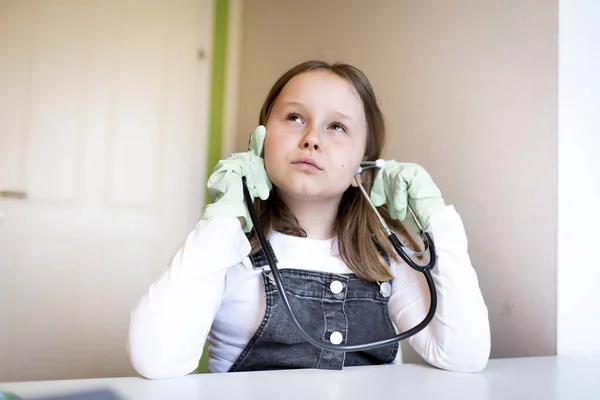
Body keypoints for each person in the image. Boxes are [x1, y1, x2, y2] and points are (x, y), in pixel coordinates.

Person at [127, 60, 491, 379]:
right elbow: (155, 361)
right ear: (260, 141)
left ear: (362, 168)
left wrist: (438, 219)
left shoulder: (387, 256)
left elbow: (464, 356)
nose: (311, 138)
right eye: (295, 117)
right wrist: (224, 219)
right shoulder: (227, 248)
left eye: (337, 127)